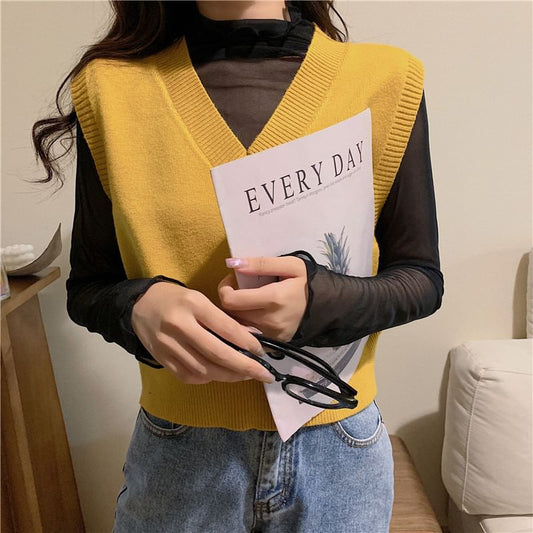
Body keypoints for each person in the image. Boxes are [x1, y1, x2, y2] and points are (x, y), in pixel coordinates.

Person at [32, 1, 443, 531]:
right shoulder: (110, 90)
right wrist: (140, 306)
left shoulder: (387, 79)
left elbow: (421, 278)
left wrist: (319, 301)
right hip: (181, 459)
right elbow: (89, 286)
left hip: (337, 457)